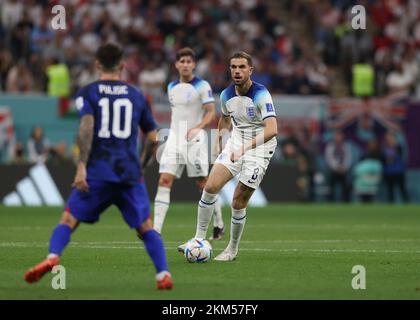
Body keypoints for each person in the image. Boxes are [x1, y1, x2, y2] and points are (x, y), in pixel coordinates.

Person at [23, 43, 173, 290]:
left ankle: (52, 258)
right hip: (128, 172)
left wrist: (81, 166)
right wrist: (142, 165)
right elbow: (154, 137)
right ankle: (163, 275)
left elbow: (86, 128)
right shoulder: (136, 95)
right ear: (123, 66)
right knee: (145, 227)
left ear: (97, 65)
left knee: (69, 218)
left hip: (98, 171)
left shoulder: (88, 92)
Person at [179, 51, 278, 261]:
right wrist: (219, 144)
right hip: (236, 142)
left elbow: (272, 129)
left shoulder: (261, 94)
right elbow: (224, 121)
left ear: (250, 70)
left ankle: (232, 250)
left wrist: (246, 148)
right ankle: (198, 239)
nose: (237, 71)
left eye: (242, 67)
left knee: (238, 202)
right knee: (210, 187)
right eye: (233, 67)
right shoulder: (226, 95)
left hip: (260, 148)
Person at [153, 47, 225, 240]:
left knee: (204, 184)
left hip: (195, 139)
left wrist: (197, 127)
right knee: (164, 180)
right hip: (174, 139)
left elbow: (210, 111)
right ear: (176, 64)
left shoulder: (202, 86)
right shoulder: (171, 86)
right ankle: (156, 230)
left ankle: (218, 223)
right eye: (182, 61)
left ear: (193, 64)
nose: (185, 65)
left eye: (188, 61)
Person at [324, 131, 353, 202]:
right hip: (333, 170)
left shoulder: (346, 146)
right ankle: (330, 202)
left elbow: (349, 158)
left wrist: (344, 167)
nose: (339, 138)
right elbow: (329, 158)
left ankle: (346, 202)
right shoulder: (330, 146)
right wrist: (336, 167)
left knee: (347, 185)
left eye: (340, 136)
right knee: (330, 186)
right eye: (337, 136)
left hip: (344, 170)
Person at [382, 131, 409, 203]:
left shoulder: (399, 147)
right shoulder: (384, 147)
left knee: (402, 189)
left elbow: (402, 157)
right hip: (389, 171)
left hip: (398, 171)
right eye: (387, 137)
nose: (389, 139)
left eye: (390, 137)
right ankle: (391, 205)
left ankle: (407, 204)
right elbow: (384, 159)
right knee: (390, 190)